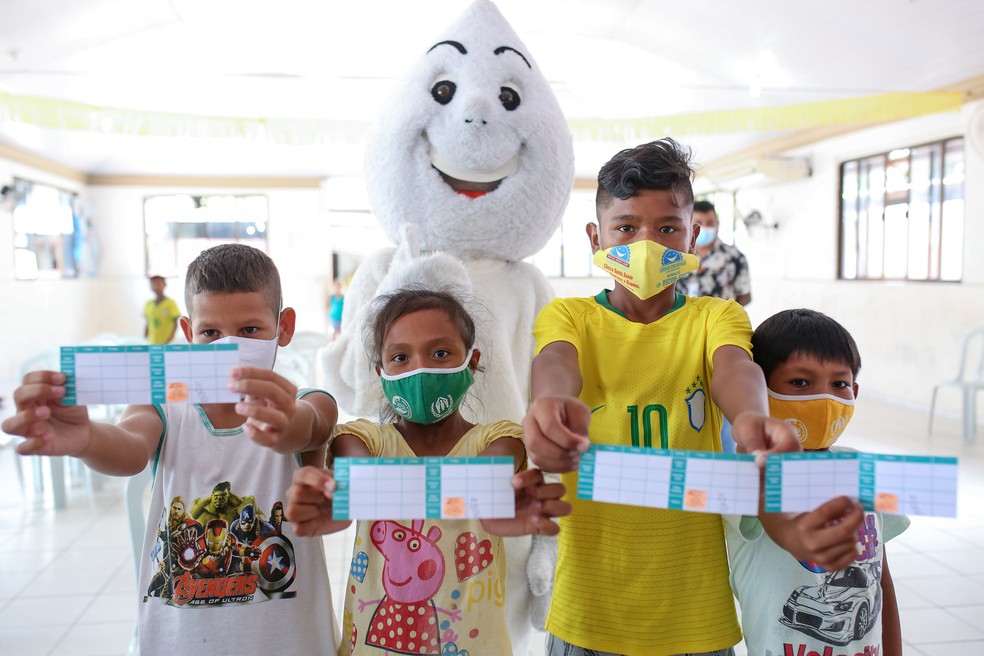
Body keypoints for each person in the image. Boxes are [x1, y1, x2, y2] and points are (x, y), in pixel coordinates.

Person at [521, 138, 858, 656]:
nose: (647, 244)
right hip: (585, 612)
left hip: (696, 618)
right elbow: (556, 362)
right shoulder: (570, 316)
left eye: (667, 228)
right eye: (626, 228)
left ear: (692, 237)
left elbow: (734, 368)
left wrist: (751, 416)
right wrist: (548, 403)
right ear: (595, 237)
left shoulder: (714, 317)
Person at [3, 244, 340, 655]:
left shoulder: (308, 402)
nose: (228, 347)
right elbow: (130, 447)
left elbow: (311, 426)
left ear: (283, 328)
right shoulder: (162, 405)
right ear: (187, 332)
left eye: (249, 330)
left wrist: (287, 424)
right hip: (180, 642)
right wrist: (87, 438)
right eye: (210, 333)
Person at [285, 286, 572, 656]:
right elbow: (356, 480)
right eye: (400, 357)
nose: (419, 368)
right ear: (381, 373)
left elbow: (484, 481)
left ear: (471, 362)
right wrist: (342, 496)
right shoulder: (360, 439)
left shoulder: (500, 439)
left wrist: (489, 497)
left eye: (439, 353)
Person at [727, 308, 908, 655]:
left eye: (839, 384)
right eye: (800, 383)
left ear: (855, 391)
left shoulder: (863, 470)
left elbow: (880, 581)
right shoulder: (751, 474)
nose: (824, 398)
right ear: (760, 390)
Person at [680, 200, 752, 306]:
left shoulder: (735, 257)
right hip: (685, 316)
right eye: (699, 223)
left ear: (717, 224)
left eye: (710, 223)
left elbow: (745, 296)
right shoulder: (679, 256)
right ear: (689, 225)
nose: (704, 228)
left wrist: (729, 313)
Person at [144, 275, 181, 344]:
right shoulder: (148, 304)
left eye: (158, 284)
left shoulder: (170, 303)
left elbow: (175, 325)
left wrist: (168, 341)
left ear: (164, 285)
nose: (156, 287)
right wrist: (145, 340)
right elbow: (147, 323)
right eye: (153, 284)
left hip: (168, 344)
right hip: (152, 343)